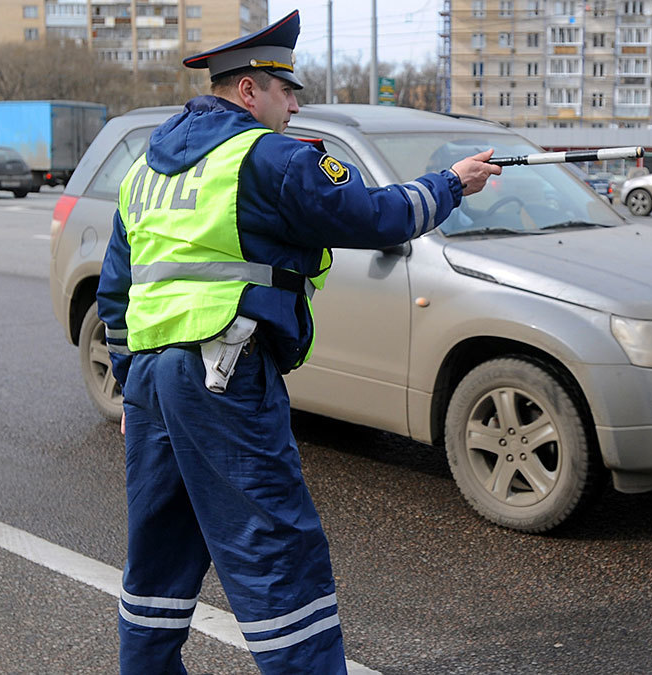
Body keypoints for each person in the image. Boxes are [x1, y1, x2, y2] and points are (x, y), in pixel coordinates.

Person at [96, 9, 500, 674]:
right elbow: (378, 216)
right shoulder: (269, 156)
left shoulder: (146, 171)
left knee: (159, 552)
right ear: (249, 90)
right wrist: (453, 183)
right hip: (223, 371)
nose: (293, 107)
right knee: (277, 551)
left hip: (150, 385)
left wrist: (129, 384)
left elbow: (118, 291)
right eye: (288, 93)